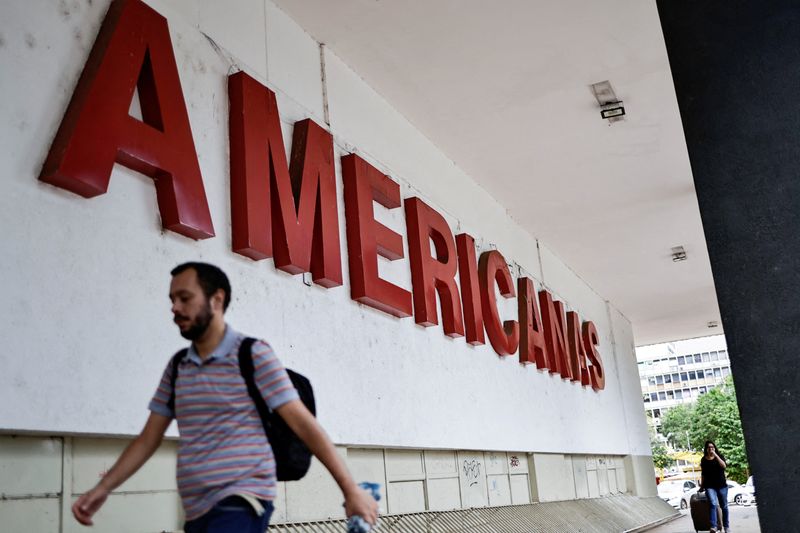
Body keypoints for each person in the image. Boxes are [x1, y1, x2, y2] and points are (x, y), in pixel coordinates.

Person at [72, 262, 378, 531]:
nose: (175, 308)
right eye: (172, 299)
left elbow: (303, 424)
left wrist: (349, 490)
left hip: (242, 498)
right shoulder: (178, 367)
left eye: (185, 298)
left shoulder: (252, 354)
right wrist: (103, 488)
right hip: (196, 508)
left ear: (216, 300)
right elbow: (148, 438)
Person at [700, 440, 729, 533]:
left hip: (722, 485)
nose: (711, 449)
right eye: (709, 447)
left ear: (714, 448)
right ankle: (714, 526)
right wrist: (702, 486)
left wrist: (716, 455)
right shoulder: (703, 459)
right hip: (709, 486)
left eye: (712, 447)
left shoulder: (719, 456)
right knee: (712, 504)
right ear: (706, 449)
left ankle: (726, 526)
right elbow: (703, 474)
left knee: (724, 506)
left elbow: (724, 466)